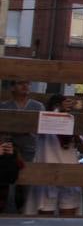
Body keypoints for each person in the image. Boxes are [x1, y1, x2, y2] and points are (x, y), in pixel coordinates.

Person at [25, 93, 83, 217]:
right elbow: (51, 119)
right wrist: (58, 110)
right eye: (63, 105)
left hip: (69, 173)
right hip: (48, 173)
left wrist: (76, 135)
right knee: (45, 214)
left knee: (68, 214)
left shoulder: (72, 123)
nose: (67, 109)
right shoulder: (45, 123)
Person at [1, 80, 44, 210]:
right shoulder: (4, 106)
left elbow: (42, 129)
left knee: (29, 188)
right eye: (21, 83)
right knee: (9, 186)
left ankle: (27, 212)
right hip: (9, 151)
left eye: (28, 83)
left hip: (31, 150)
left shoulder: (38, 106)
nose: (25, 86)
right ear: (13, 87)